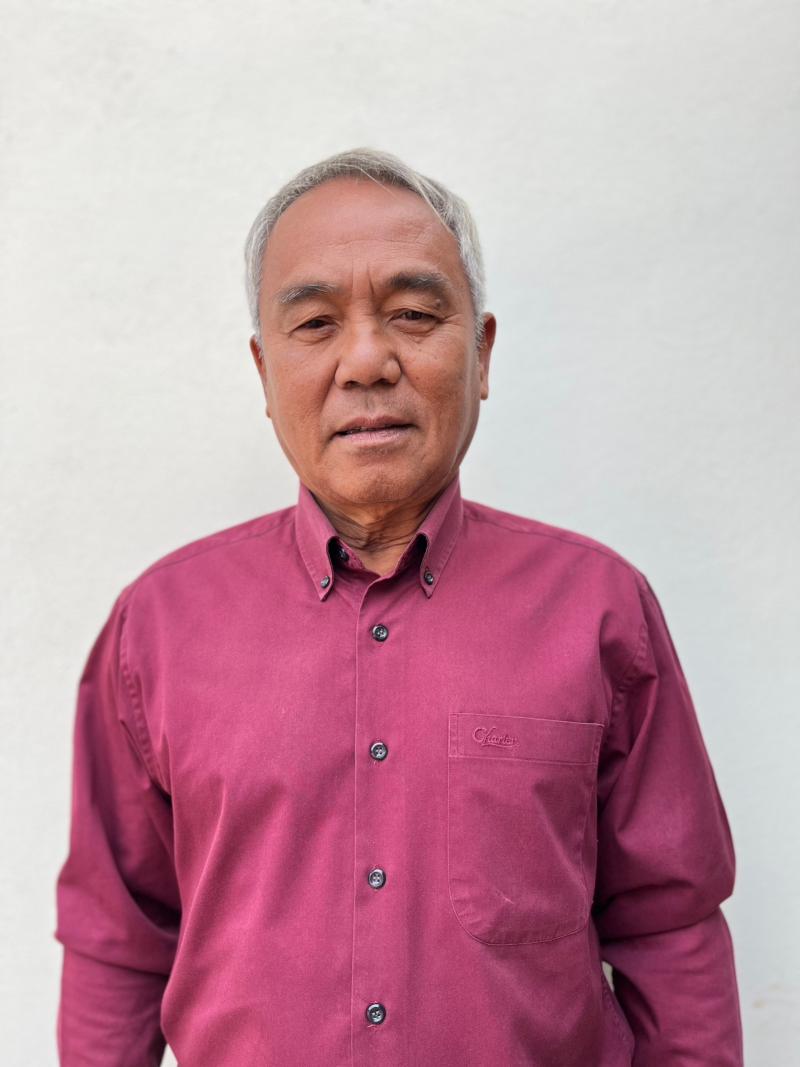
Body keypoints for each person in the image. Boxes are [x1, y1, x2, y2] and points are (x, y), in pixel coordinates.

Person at [54, 147, 743, 1066]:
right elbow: (117, 944)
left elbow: (670, 925)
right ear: (264, 370)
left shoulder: (600, 610)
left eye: (414, 315)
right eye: (316, 323)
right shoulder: (157, 629)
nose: (367, 361)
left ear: (482, 352)